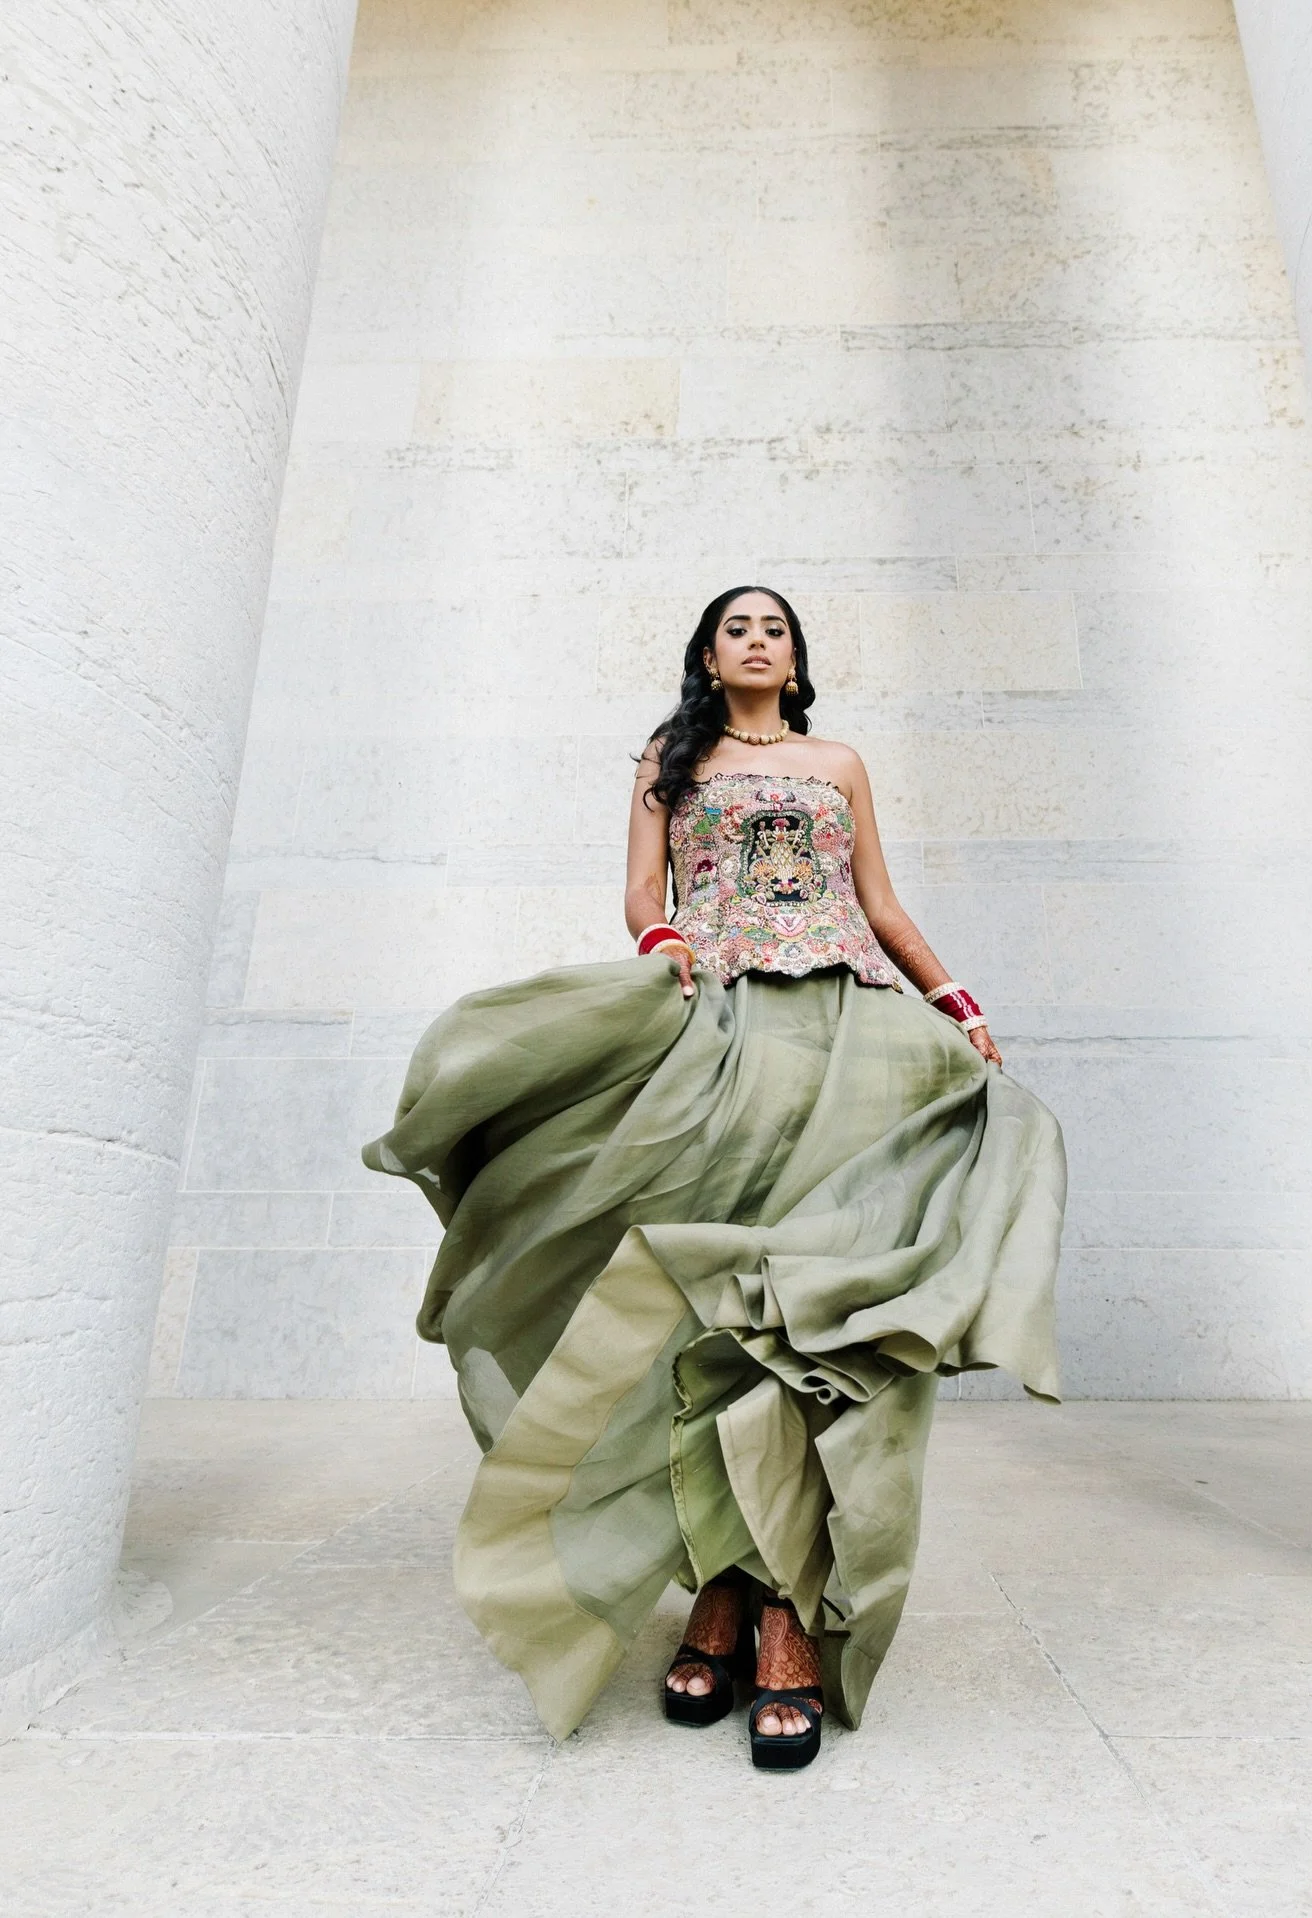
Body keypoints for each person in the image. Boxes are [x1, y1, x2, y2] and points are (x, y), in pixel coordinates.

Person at [363, 587, 1065, 1771]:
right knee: (711, 1320)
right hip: (727, 1038)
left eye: (776, 629)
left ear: (795, 663)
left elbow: (878, 904)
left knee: (813, 1320)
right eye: (736, 626)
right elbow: (644, 891)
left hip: (853, 1041)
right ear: (706, 653)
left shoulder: (839, 760)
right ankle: (721, 1598)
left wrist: (956, 1000)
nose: (757, 640)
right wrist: (666, 944)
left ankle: (785, 1610)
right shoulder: (668, 757)